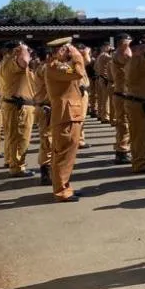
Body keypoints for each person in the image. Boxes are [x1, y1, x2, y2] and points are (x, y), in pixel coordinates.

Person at [44, 37, 87, 202]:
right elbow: (78, 72)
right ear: (58, 51)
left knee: (67, 154)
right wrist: (77, 56)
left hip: (70, 114)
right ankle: (61, 190)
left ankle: (65, 187)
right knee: (63, 154)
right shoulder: (55, 67)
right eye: (66, 49)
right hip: (65, 115)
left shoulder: (60, 66)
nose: (70, 51)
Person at [0, 41, 36, 178]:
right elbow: (25, 62)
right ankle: (17, 167)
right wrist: (23, 49)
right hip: (18, 106)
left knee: (12, 136)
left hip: (12, 104)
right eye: (26, 50)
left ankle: (10, 161)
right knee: (21, 138)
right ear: (16, 51)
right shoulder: (13, 63)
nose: (29, 52)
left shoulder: (6, 62)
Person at [125, 36, 145, 174]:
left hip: (136, 101)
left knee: (137, 135)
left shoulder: (133, 60)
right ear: (138, 48)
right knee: (142, 136)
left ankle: (138, 161)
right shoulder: (138, 61)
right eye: (144, 46)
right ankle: (140, 164)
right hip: (140, 103)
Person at [110, 33, 132, 164]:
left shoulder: (118, 53)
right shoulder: (121, 54)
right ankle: (122, 151)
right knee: (124, 124)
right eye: (128, 42)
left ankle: (123, 149)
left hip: (123, 93)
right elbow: (129, 58)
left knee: (124, 124)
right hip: (122, 94)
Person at [31, 47, 52, 187]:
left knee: (48, 140)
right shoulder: (46, 69)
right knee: (48, 141)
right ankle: (46, 173)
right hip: (46, 108)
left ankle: (48, 171)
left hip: (43, 106)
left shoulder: (41, 68)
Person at [76, 43, 93, 148]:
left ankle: (80, 139)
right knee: (80, 117)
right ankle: (78, 140)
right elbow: (88, 60)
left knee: (82, 117)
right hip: (79, 91)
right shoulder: (77, 61)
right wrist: (86, 52)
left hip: (82, 90)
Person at [95, 43, 113, 124]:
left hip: (100, 78)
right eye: (108, 47)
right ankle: (105, 117)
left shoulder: (99, 56)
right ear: (104, 47)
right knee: (106, 99)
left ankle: (100, 114)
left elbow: (95, 67)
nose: (110, 48)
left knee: (101, 98)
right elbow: (114, 59)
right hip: (104, 78)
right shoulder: (105, 55)